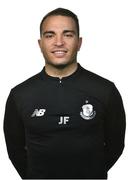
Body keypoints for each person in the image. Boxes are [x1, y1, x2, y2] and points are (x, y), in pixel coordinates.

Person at [3, 8, 126, 179]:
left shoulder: (105, 90)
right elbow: (15, 151)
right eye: (50, 35)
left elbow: (116, 145)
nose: (59, 42)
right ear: (40, 44)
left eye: (68, 35)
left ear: (79, 42)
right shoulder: (20, 95)